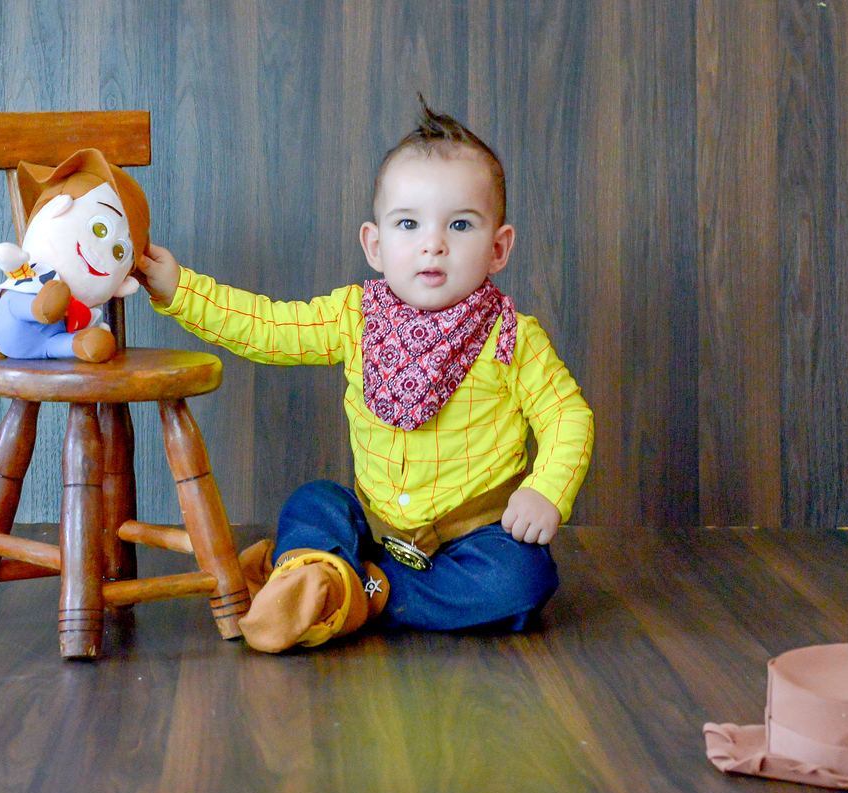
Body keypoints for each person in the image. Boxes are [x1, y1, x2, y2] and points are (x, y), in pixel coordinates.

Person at [135, 100, 594, 653]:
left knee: (523, 580)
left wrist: (547, 490)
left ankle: (349, 591)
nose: (433, 243)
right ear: (375, 246)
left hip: (475, 537)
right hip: (376, 528)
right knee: (315, 503)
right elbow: (268, 327)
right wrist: (181, 290)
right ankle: (318, 569)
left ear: (498, 248)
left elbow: (568, 414)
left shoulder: (512, 339)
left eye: (460, 224)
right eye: (409, 223)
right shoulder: (353, 317)